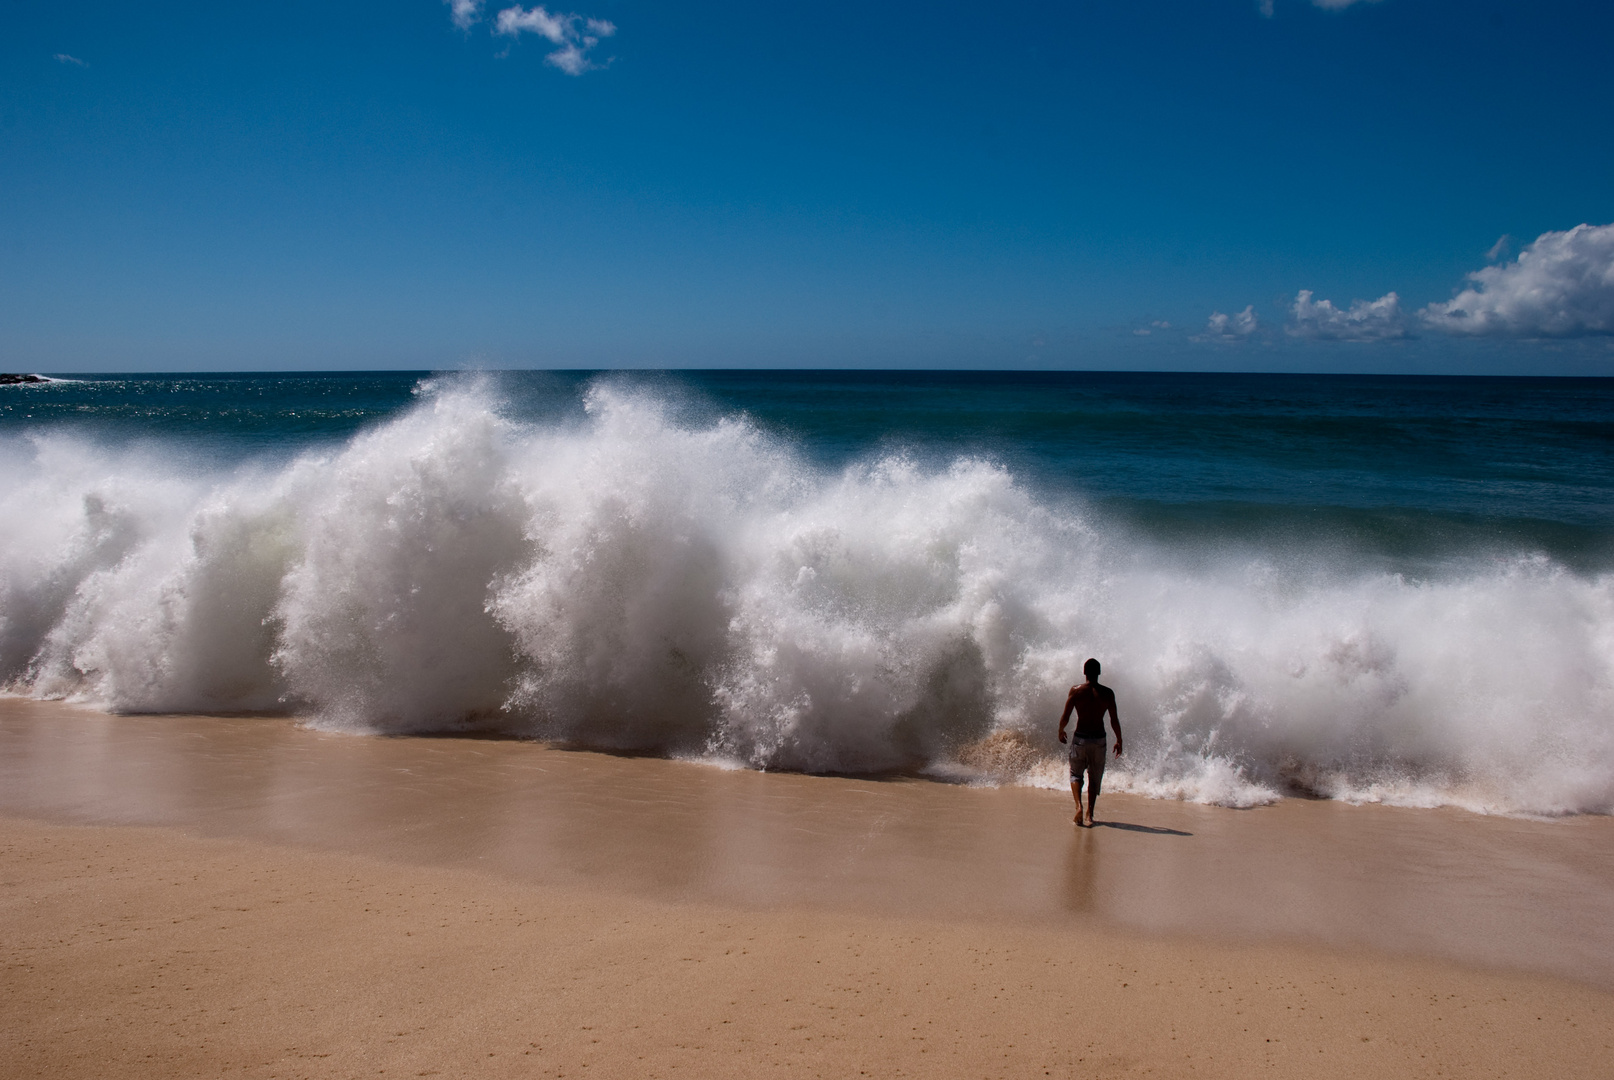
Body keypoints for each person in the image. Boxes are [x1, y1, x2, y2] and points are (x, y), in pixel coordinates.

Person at [1057, 658, 1123, 827]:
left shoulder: (1076, 691)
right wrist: (1119, 739)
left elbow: (1066, 715)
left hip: (1080, 738)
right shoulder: (1108, 693)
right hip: (1099, 739)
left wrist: (1061, 730)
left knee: (1075, 774)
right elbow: (1113, 719)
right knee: (1094, 776)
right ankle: (1090, 814)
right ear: (1099, 672)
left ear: (1084, 672)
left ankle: (1079, 806)